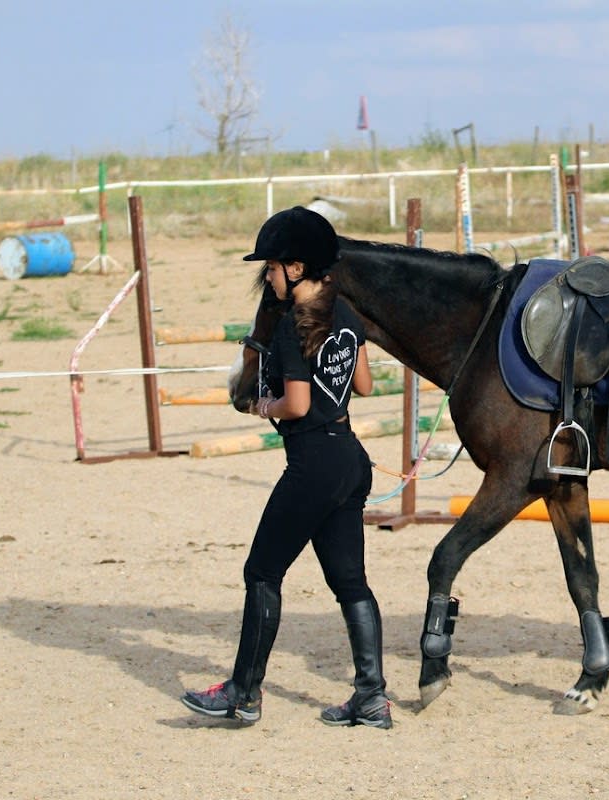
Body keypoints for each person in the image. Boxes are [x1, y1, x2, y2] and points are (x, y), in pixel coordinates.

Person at [181, 206, 392, 729]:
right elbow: (364, 385)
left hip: (314, 461)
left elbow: (295, 405)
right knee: (350, 582)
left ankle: (242, 692)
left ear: (296, 268)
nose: (268, 276)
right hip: (349, 457)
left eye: (272, 267)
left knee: (261, 572)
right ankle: (371, 697)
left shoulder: (290, 328)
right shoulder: (345, 313)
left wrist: (261, 407)